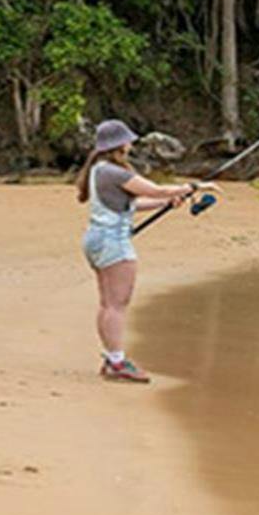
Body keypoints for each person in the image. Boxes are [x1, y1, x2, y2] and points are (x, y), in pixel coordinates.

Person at [75, 119, 213, 383]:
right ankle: (117, 363)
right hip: (112, 242)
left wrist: (166, 203)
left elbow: (132, 204)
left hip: (97, 239)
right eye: (128, 140)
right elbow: (155, 188)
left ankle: (112, 359)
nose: (131, 144)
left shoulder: (99, 169)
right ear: (119, 144)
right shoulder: (114, 172)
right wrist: (194, 187)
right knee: (117, 305)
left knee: (108, 304)